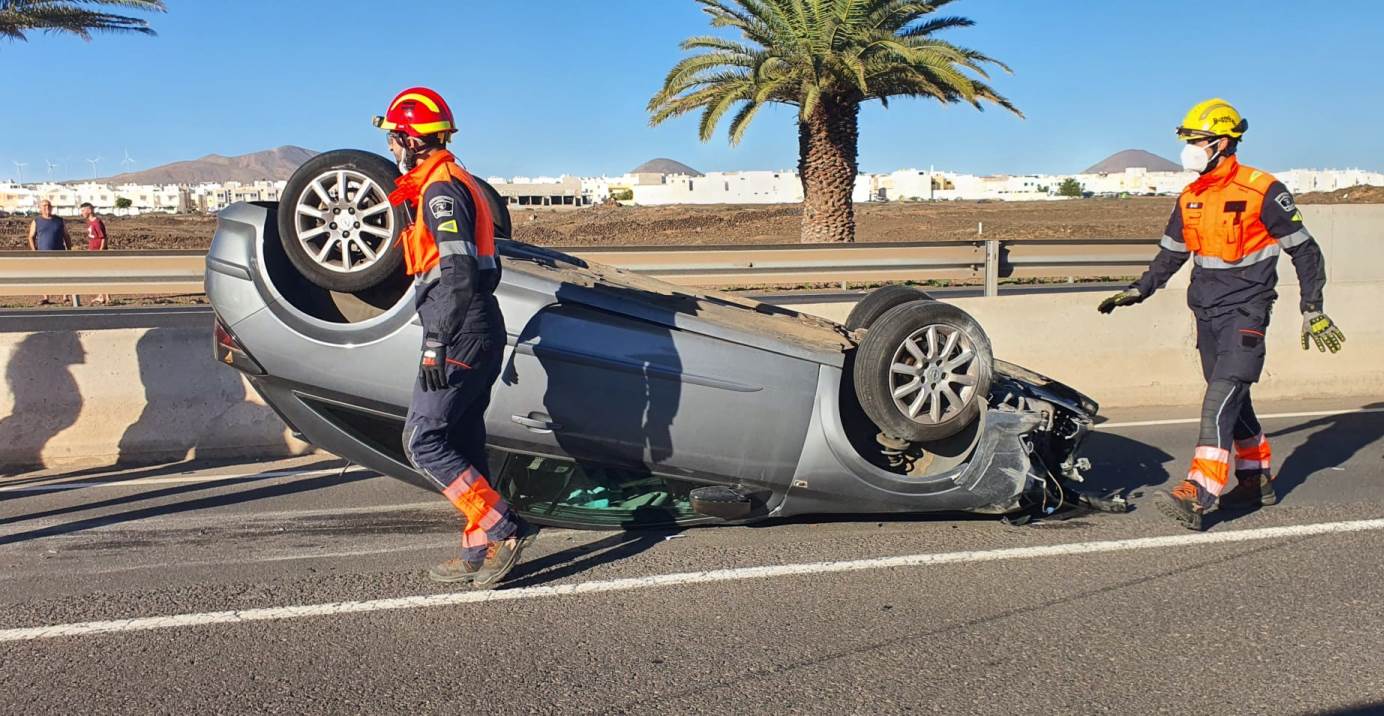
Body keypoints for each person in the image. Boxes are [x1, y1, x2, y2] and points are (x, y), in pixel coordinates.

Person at [1098, 98, 1345, 530]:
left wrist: (1313, 308)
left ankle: (1200, 488)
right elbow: (1170, 255)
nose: (1189, 149)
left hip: (1247, 310)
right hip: (1206, 313)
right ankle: (1255, 479)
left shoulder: (1262, 189)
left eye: (1197, 140)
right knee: (1232, 396)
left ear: (1223, 142)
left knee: (1221, 395)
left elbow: (1305, 251)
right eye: (1187, 140)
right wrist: (1140, 288)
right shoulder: (1191, 196)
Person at [374, 86, 537, 586]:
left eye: (394, 138)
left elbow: (459, 271)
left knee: (423, 440)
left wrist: (436, 341)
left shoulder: (442, 191)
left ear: (412, 139)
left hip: (459, 328)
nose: (390, 148)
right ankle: (477, 546)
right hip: (475, 325)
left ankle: (500, 525)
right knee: (463, 442)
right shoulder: (442, 181)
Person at [26, 199, 71, 305]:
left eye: (49, 205)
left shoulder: (59, 220)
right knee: (44, 275)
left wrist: (69, 250)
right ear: (40, 208)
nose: (47, 207)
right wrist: (34, 251)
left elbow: (66, 236)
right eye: (44, 206)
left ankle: (65, 296)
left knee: (62, 275)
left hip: (60, 252)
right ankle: (46, 297)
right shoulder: (36, 221)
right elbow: (31, 237)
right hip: (43, 253)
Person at [80, 202, 110, 305]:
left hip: (98, 252)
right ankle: (104, 295)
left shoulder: (97, 222)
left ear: (89, 210)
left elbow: (103, 238)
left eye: (83, 210)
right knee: (99, 274)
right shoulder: (89, 222)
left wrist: (101, 251)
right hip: (93, 251)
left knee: (101, 274)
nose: (82, 213)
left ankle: (103, 296)